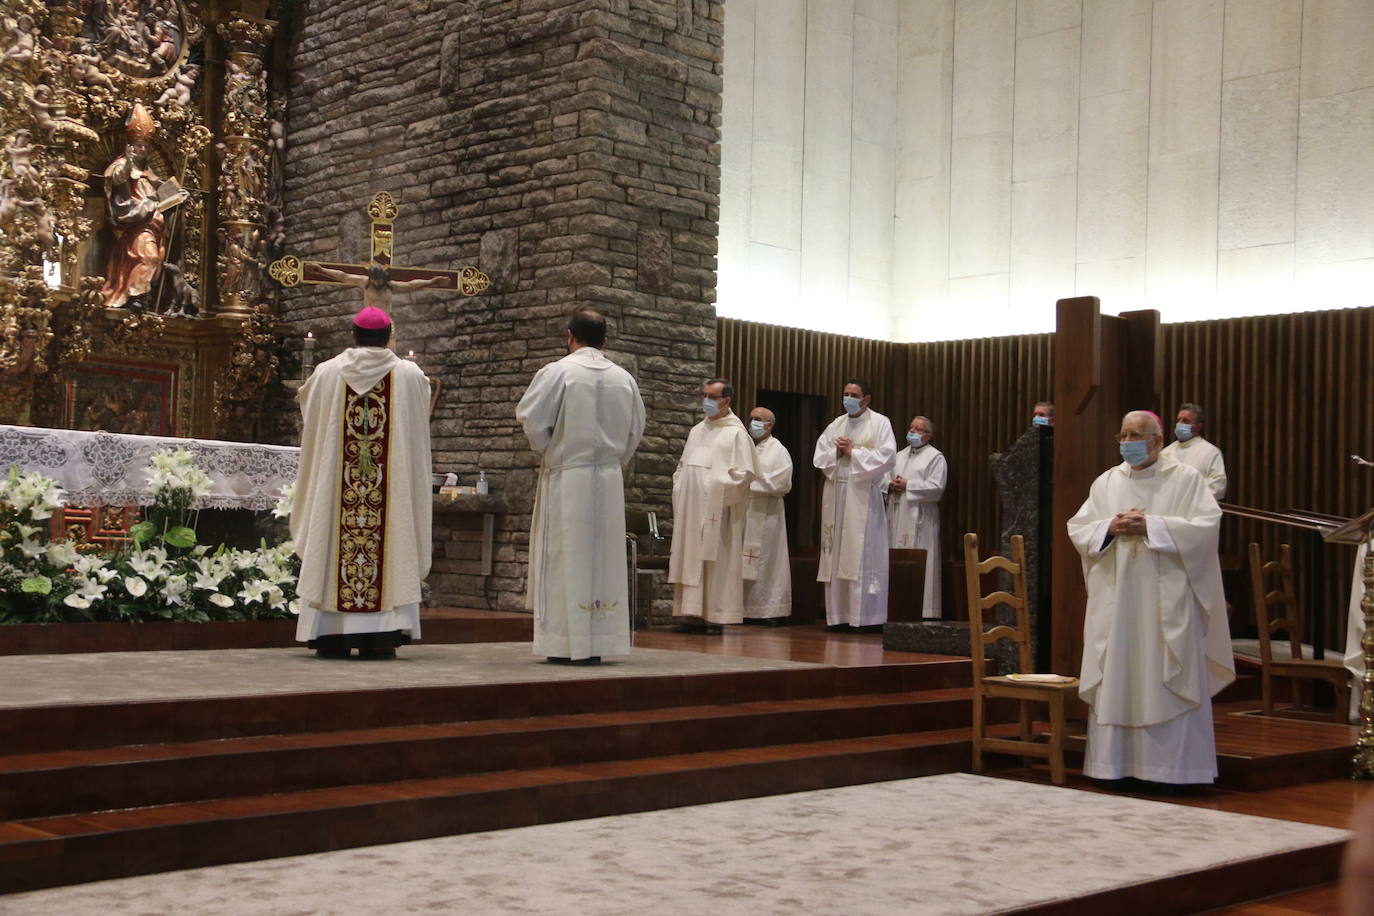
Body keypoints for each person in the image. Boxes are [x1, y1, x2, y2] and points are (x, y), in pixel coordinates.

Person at [1068, 410, 1235, 787]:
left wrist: (1152, 526)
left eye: (1137, 435)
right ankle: (1112, 767)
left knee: (1164, 675)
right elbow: (1079, 529)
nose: (1128, 442)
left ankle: (1173, 772)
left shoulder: (1187, 480)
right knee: (1119, 669)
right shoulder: (1107, 482)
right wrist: (1109, 527)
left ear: (1158, 441)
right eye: (1124, 435)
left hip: (1168, 601)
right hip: (1118, 599)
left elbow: (1206, 528)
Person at [291, 307, 433, 660]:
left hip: (337, 491)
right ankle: (380, 637)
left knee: (332, 538)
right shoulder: (410, 376)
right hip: (389, 490)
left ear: (353, 335)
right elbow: (420, 418)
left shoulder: (325, 373)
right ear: (388, 336)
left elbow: (308, 408)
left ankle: (332, 636)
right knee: (391, 539)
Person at [516, 308, 645, 664]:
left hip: (568, 475)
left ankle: (564, 644)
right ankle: (600, 643)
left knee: (564, 556)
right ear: (605, 341)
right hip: (608, 477)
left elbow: (533, 421)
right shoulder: (624, 379)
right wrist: (613, 460)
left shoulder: (557, 372)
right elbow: (635, 430)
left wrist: (552, 451)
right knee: (602, 559)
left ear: (569, 335)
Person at [668, 379, 757, 634]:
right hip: (692, 507)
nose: (706, 400)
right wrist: (682, 487)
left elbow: (744, 474)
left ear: (726, 401)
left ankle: (715, 615)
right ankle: (691, 614)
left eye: (712, 396)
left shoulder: (736, 433)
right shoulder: (697, 430)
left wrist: (715, 488)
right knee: (691, 557)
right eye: (704, 395)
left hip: (717, 511)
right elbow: (682, 467)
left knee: (716, 560)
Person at [814, 379, 897, 632]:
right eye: (846, 394)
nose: (848, 398)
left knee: (862, 553)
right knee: (836, 552)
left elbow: (888, 456)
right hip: (837, 495)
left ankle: (864, 618)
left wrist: (854, 452)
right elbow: (819, 456)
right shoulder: (836, 424)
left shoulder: (880, 423)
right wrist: (836, 453)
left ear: (866, 399)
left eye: (854, 394)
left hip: (863, 496)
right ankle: (838, 616)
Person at [100, 104, 184, 309]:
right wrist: (151, 201)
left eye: (146, 146)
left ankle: (142, 296)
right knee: (148, 257)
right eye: (139, 145)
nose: (143, 150)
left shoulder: (149, 171)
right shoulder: (122, 166)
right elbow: (118, 187)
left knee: (156, 261)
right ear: (130, 146)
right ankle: (134, 296)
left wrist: (178, 194)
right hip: (137, 226)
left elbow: (166, 191)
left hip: (155, 228)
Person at [883, 415, 947, 618]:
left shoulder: (935, 457)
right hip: (898, 512)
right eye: (911, 427)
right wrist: (891, 484)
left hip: (921, 517)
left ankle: (925, 610)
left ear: (928, 436)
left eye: (918, 429)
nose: (912, 432)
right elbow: (885, 477)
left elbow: (937, 488)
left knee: (923, 562)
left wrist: (908, 485)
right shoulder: (898, 455)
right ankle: (896, 607)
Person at [742, 407, 792, 625]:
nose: (752, 422)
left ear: (769, 425)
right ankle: (742, 609)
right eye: (751, 418)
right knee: (743, 560)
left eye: (758, 419)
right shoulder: (744, 447)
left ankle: (769, 610)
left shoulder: (778, 450)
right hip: (745, 513)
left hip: (767, 515)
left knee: (767, 562)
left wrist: (747, 481)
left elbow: (782, 482)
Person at [1160, 402, 1227, 500]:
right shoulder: (1166, 451)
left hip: (1196, 508)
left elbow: (1218, 487)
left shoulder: (1211, 452)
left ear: (1198, 426)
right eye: (1179, 420)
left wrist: (1185, 492)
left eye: (1186, 421)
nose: (1180, 424)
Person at [313, 264, 448, 312]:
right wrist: (321, 270)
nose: (376, 283)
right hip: (367, 321)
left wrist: (431, 282)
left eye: (379, 281)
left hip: (385, 323)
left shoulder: (390, 286)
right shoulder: (364, 282)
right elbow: (343, 276)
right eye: (374, 280)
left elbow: (410, 285)